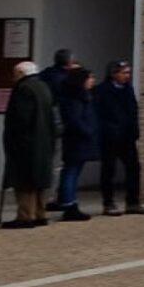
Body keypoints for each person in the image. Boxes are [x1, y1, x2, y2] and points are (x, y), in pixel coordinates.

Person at [1, 61, 57, 228]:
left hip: (27, 143)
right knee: (39, 180)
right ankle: (40, 213)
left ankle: (25, 216)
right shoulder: (43, 87)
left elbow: (21, 119)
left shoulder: (23, 89)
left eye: (14, 73)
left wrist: (14, 139)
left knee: (24, 181)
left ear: (20, 73)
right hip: (44, 141)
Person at [92, 60, 144, 216]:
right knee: (109, 170)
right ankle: (108, 203)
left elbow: (133, 111)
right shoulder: (101, 91)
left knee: (134, 168)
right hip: (109, 137)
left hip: (127, 137)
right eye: (124, 73)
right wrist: (107, 130)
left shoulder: (128, 90)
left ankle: (133, 202)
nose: (127, 76)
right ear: (113, 74)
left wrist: (135, 131)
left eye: (128, 73)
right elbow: (98, 114)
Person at [52, 62, 96, 221]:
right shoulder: (75, 98)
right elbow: (75, 120)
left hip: (78, 139)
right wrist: (88, 131)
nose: (92, 81)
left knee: (73, 171)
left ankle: (69, 201)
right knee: (71, 171)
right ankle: (68, 203)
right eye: (89, 78)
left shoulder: (79, 96)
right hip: (76, 140)